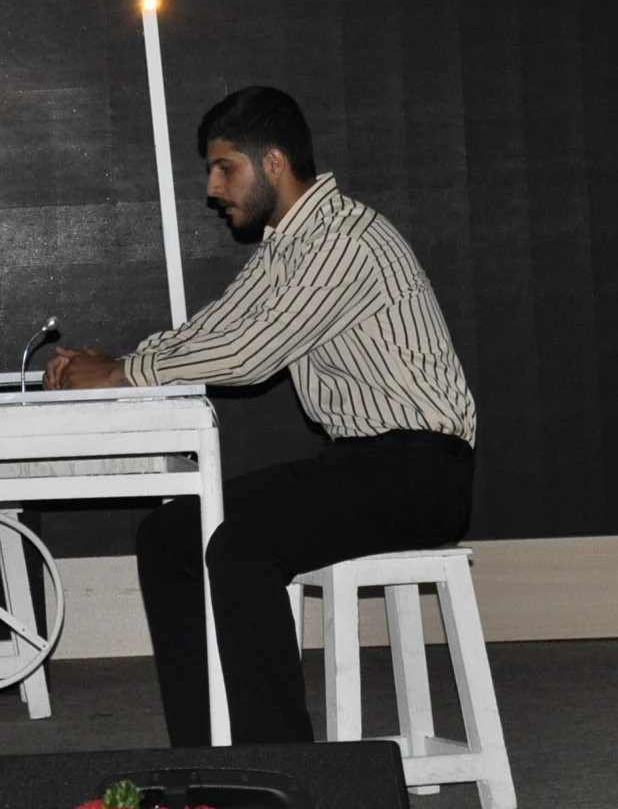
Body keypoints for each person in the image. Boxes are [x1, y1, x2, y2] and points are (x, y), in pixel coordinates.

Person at [44, 86, 477, 746]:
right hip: (360, 465)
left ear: (273, 161)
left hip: (421, 471)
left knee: (242, 545)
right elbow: (215, 328)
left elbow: (249, 355)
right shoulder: (287, 248)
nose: (213, 188)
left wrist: (121, 373)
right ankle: (208, 761)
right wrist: (120, 363)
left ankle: (279, 771)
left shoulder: (344, 242)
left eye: (225, 168)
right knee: (169, 537)